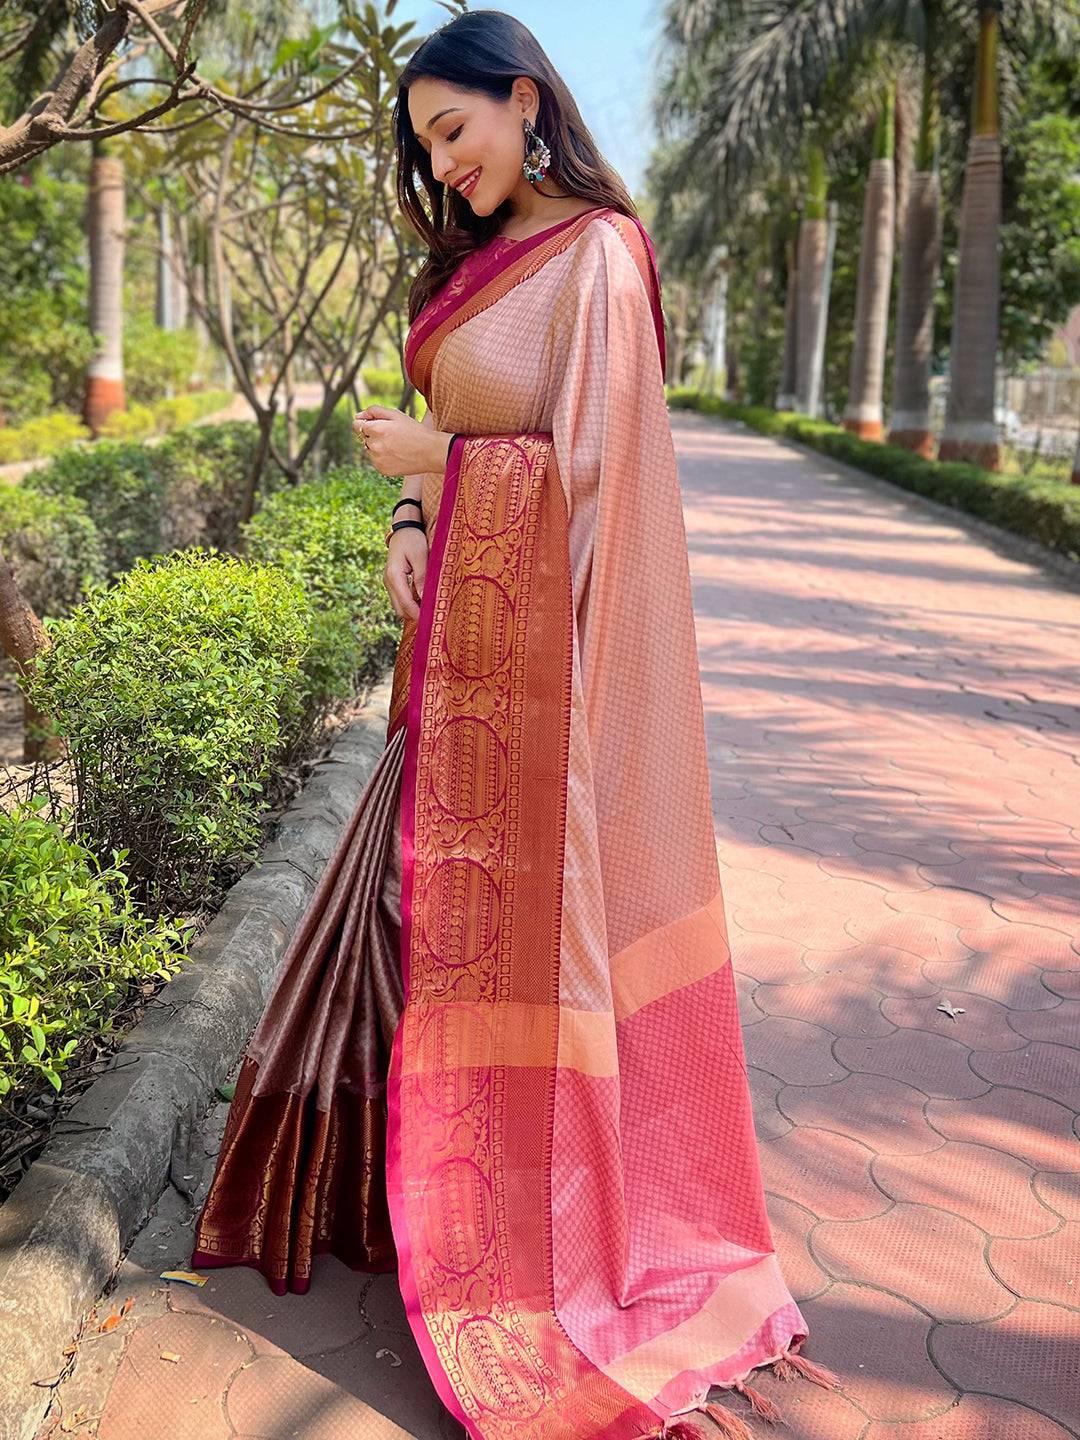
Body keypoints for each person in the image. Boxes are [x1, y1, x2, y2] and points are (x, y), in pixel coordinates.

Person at [190, 11, 839, 1437]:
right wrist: (417, 511)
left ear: (523, 102)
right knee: (405, 911)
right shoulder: (476, 269)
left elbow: (597, 483)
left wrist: (447, 466)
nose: (442, 163)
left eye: (453, 130)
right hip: (461, 648)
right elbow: (464, 424)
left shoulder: (598, 258)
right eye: (423, 144)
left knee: (486, 924)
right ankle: (407, 1194)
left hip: (548, 684)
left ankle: (545, 1234)